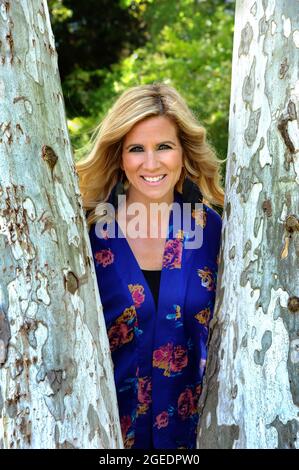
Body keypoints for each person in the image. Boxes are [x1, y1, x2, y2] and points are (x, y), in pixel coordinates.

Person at [76, 83, 224, 449]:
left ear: (184, 152)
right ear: (119, 156)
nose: (152, 163)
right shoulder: (86, 236)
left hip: (197, 440)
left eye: (164, 147)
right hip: (104, 440)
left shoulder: (213, 231)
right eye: (137, 149)